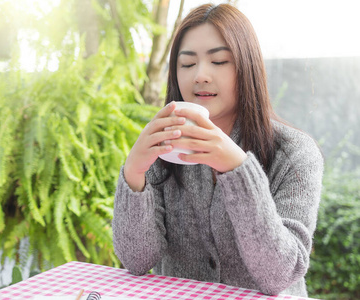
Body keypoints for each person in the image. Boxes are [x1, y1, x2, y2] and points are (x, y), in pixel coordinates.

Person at [112, 3, 324, 298]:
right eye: (187, 64)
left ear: (246, 66)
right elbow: (136, 260)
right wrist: (134, 173)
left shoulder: (295, 153)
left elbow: (280, 274)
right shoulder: (164, 147)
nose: (200, 75)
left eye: (219, 61)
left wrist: (238, 170)